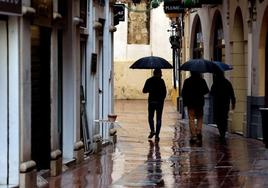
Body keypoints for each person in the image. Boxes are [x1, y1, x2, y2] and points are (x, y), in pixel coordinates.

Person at [181, 71, 209, 143]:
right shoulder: (202, 80)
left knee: (191, 118)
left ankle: (193, 136)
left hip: (190, 103)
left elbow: (183, 92)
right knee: (200, 117)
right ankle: (198, 131)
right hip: (199, 102)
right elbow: (206, 91)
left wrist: (185, 102)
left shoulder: (187, 81)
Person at [210, 71, 236, 141]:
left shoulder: (215, 83)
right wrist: (233, 103)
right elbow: (232, 94)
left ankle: (221, 131)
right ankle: (223, 132)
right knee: (224, 118)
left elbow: (211, 93)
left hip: (217, 104)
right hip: (225, 104)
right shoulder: (227, 83)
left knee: (218, 118)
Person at [143, 68, 166, 142]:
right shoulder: (161, 81)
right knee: (159, 119)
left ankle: (152, 130)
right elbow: (164, 92)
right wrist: (162, 99)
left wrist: (150, 89)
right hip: (159, 102)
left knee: (150, 117)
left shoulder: (149, 80)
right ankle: (157, 136)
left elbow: (144, 91)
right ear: (158, 73)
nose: (162, 74)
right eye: (161, 73)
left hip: (151, 102)